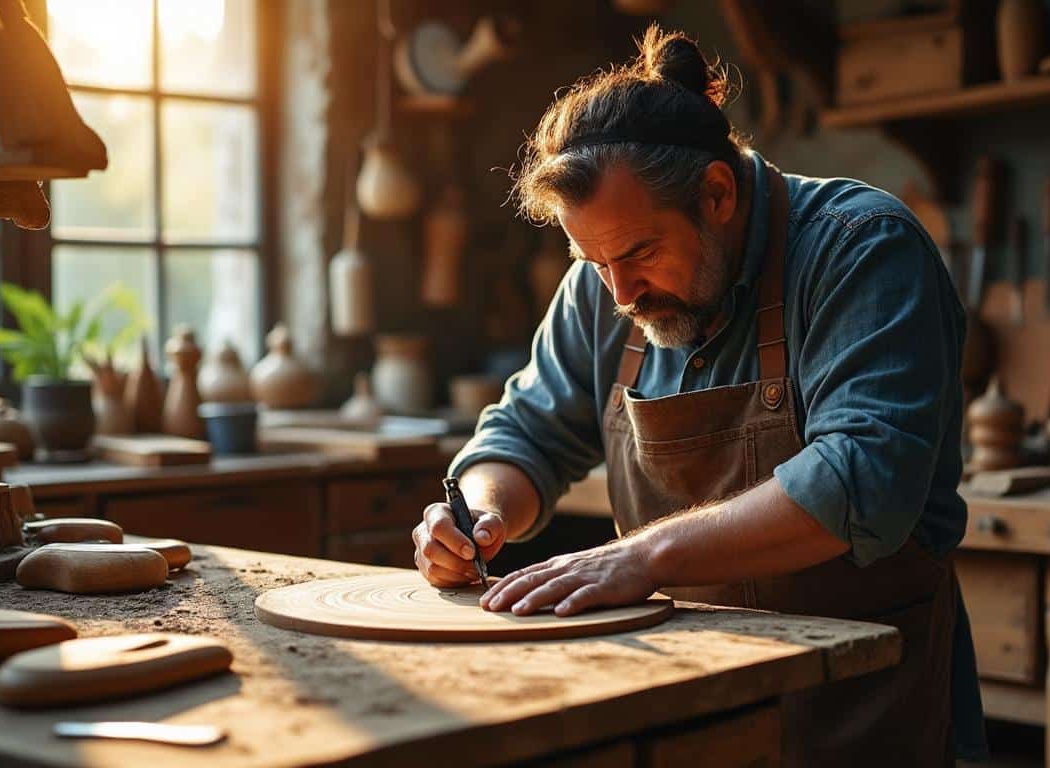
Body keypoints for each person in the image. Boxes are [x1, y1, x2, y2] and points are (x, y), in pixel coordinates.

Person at [412, 26, 986, 766]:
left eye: (640, 254)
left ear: (717, 193)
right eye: (594, 262)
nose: (619, 292)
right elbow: (524, 434)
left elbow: (861, 476)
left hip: (859, 705)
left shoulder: (861, 247)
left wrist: (645, 556)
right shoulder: (607, 284)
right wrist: (482, 512)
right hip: (683, 698)